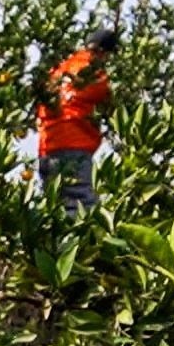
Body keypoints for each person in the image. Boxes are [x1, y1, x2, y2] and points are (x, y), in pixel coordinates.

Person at [35, 27, 118, 214]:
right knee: (82, 208)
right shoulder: (96, 75)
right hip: (73, 145)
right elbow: (112, 107)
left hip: (47, 149)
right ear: (103, 53)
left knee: (56, 207)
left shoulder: (58, 70)